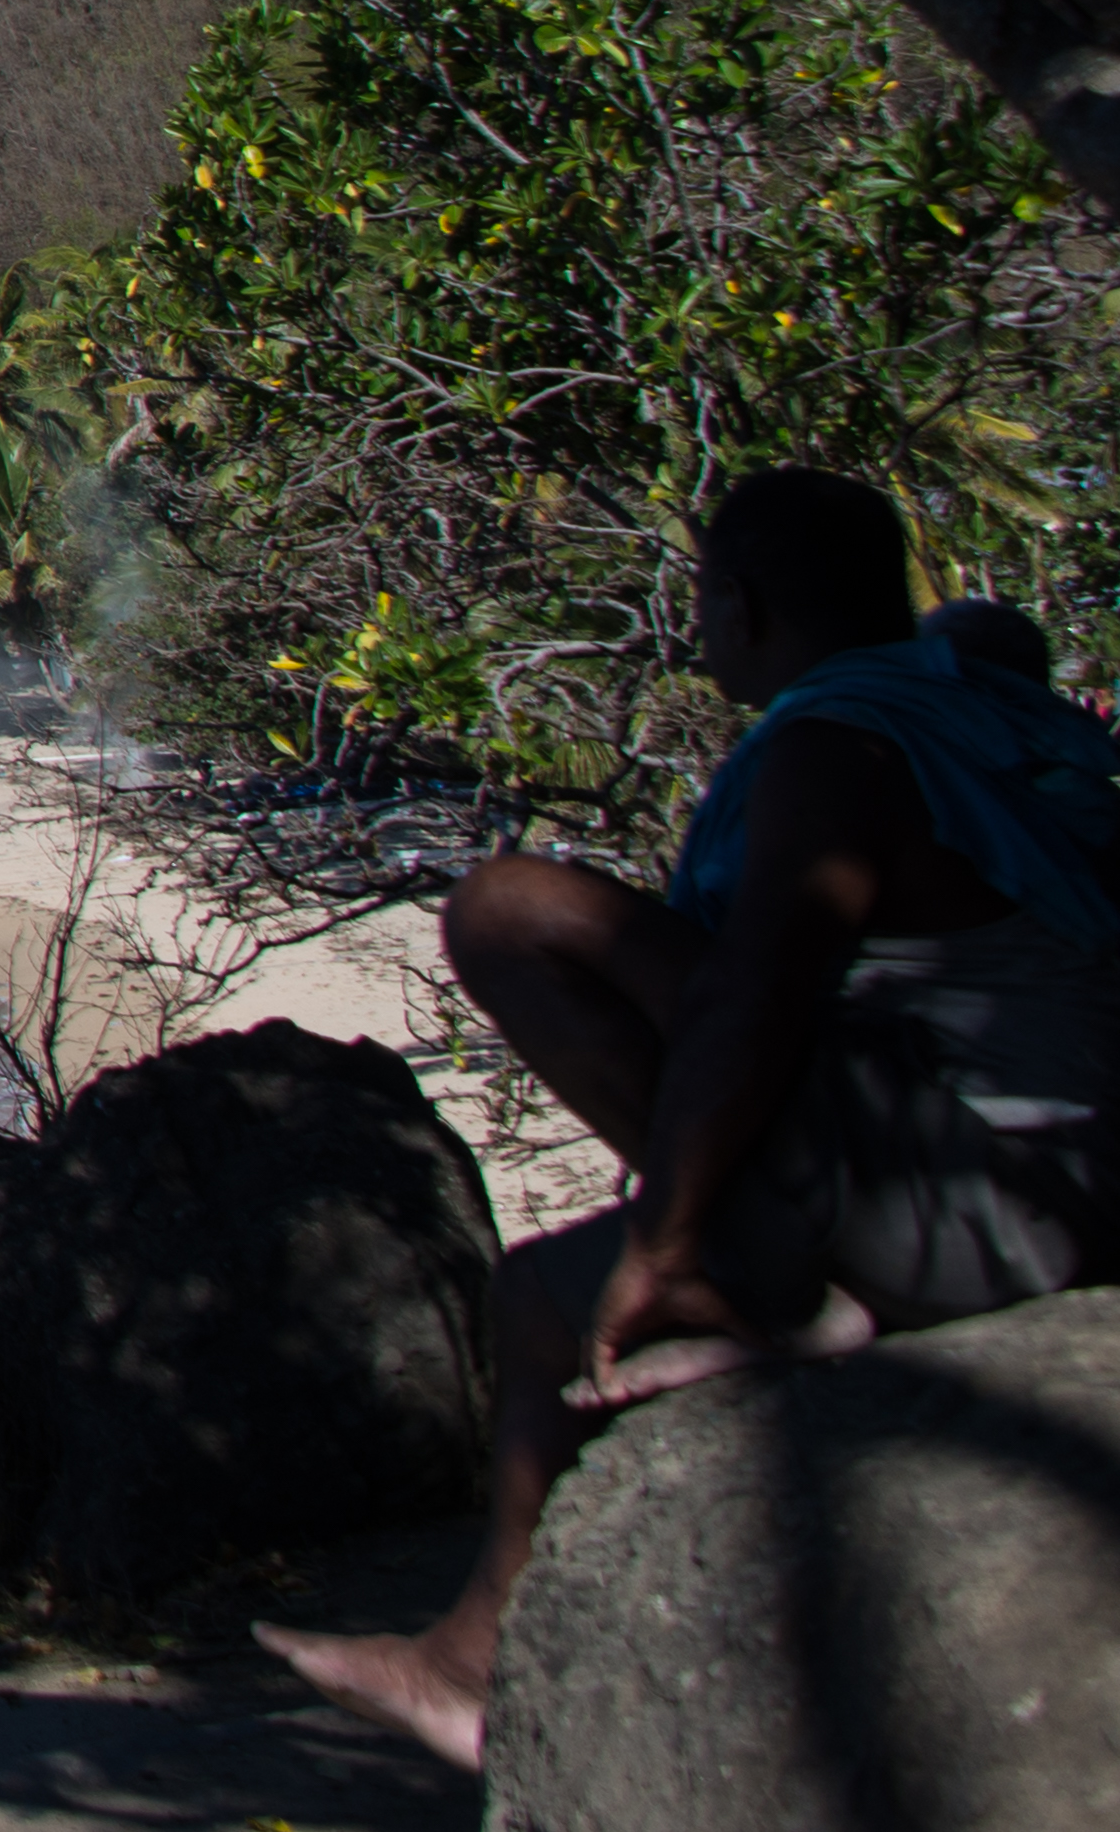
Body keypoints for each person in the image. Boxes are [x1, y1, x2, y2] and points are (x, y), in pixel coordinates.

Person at [261, 471, 1120, 1773]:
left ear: (739, 601)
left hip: (999, 1202)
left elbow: (751, 997)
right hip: (1051, 1171)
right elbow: (987, 635)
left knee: (510, 908)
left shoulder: (838, 752)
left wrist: (668, 1239)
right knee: (547, 1292)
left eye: (708, 597)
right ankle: (466, 1664)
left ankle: (753, 1271)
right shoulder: (981, 699)